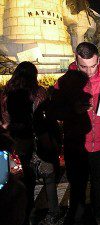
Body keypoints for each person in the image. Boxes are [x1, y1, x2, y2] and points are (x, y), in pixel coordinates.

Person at [52, 42, 100, 225]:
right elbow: (55, 111)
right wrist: (72, 110)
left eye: (93, 66)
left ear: (99, 60)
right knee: (77, 186)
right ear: (76, 60)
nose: (89, 72)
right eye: (84, 67)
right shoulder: (64, 82)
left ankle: (99, 215)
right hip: (77, 144)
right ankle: (76, 216)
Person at [0, 62, 60, 225]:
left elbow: (5, 118)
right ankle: (54, 212)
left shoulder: (6, 93)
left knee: (25, 179)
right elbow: (45, 117)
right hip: (39, 139)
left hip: (17, 141)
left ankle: (28, 214)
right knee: (49, 176)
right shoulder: (39, 92)